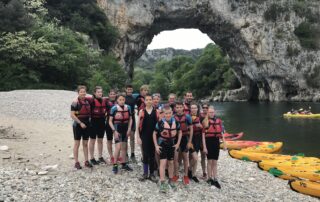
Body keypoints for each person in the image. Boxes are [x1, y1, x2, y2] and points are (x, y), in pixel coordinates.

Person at [153, 106, 182, 193]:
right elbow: (154, 133)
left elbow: (180, 132)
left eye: (169, 113)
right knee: (163, 163)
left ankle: (170, 179)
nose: (168, 115)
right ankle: (162, 182)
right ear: (163, 114)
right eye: (166, 113)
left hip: (172, 144)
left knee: (171, 162)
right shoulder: (160, 123)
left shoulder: (176, 122)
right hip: (163, 144)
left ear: (172, 113)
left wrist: (178, 143)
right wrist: (156, 146)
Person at [202, 106, 227, 189]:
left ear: (214, 112)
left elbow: (222, 133)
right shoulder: (205, 122)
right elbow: (203, 136)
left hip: (216, 142)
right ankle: (210, 178)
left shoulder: (219, 121)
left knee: (215, 161)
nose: (211, 113)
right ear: (207, 113)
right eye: (210, 112)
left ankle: (215, 178)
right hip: (208, 142)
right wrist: (204, 147)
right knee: (209, 161)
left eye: (212, 112)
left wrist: (224, 144)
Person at [109, 94, 133, 174]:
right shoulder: (114, 108)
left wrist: (129, 129)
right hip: (117, 128)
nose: (122, 101)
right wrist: (114, 131)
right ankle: (115, 165)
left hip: (125, 128)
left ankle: (123, 163)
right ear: (117, 100)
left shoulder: (128, 107)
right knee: (118, 147)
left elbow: (130, 119)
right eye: (120, 100)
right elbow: (110, 121)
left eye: (123, 99)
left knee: (124, 147)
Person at [137, 95, 159, 182]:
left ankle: (152, 174)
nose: (149, 101)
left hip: (154, 137)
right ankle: (145, 173)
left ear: (152, 101)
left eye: (150, 99)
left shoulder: (156, 111)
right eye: (147, 100)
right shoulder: (141, 111)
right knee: (145, 155)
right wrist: (138, 137)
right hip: (144, 136)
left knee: (152, 155)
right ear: (144, 101)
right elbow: (138, 125)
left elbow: (159, 125)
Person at [70, 85, 93, 169]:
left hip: (87, 124)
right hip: (77, 125)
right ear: (78, 93)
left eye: (84, 91)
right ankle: (76, 162)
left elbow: (96, 98)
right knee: (77, 143)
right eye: (81, 92)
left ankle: (86, 161)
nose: (83, 93)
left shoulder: (88, 101)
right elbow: (72, 115)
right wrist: (80, 123)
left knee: (85, 143)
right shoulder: (75, 102)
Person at [173, 102, 193, 185]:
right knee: (176, 158)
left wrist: (189, 141)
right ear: (175, 108)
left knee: (185, 158)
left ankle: (185, 175)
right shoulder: (173, 117)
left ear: (183, 108)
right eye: (177, 107)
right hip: (175, 139)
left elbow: (191, 129)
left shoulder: (187, 117)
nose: (179, 109)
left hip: (185, 138)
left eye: (180, 107)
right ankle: (176, 174)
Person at [88, 86, 108, 165]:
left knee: (100, 140)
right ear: (94, 93)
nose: (100, 93)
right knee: (92, 140)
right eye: (98, 92)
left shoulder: (104, 100)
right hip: (93, 122)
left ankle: (100, 157)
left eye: (101, 92)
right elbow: (82, 98)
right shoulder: (91, 101)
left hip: (102, 122)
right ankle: (92, 158)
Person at [188, 103, 203, 183]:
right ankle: (189, 170)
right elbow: (185, 128)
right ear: (190, 109)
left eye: (195, 108)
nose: (193, 109)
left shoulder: (200, 118)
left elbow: (204, 129)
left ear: (197, 109)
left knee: (194, 157)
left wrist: (201, 126)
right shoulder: (187, 117)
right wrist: (194, 126)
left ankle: (193, 174)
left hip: (197, 139)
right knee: (195, 157)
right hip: (190, 139)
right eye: (192, 108)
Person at [125, 84, 137, 163]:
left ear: (132, 90)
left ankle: (132, 154)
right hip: (125, 118)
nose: (129, 91)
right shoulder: (123, 98)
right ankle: (125, 154)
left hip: (132, 118)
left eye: (130, 89)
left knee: (132, 137)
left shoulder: (134, 98)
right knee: (125, 137)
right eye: (128, 89)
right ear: (125, 90)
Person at [106, 89, 117, 164]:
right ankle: (111, 156)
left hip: (117, 123)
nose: (112, 95)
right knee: (109, 140)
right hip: (108, 123)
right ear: (109, 95)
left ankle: (116, 156)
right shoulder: (106, 102)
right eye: (111, 94)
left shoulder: (119, 101)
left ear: (116, 95)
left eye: (114, 94)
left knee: (117, 140)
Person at [200, 103, 209, 179]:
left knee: (208, 157)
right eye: (203, 107)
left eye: (206, 107)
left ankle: (209, 171)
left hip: (209, 139)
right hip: (200, 138)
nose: (205, 109)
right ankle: (204, 172)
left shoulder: (212, 116)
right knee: (203, 156)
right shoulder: (199, 117)